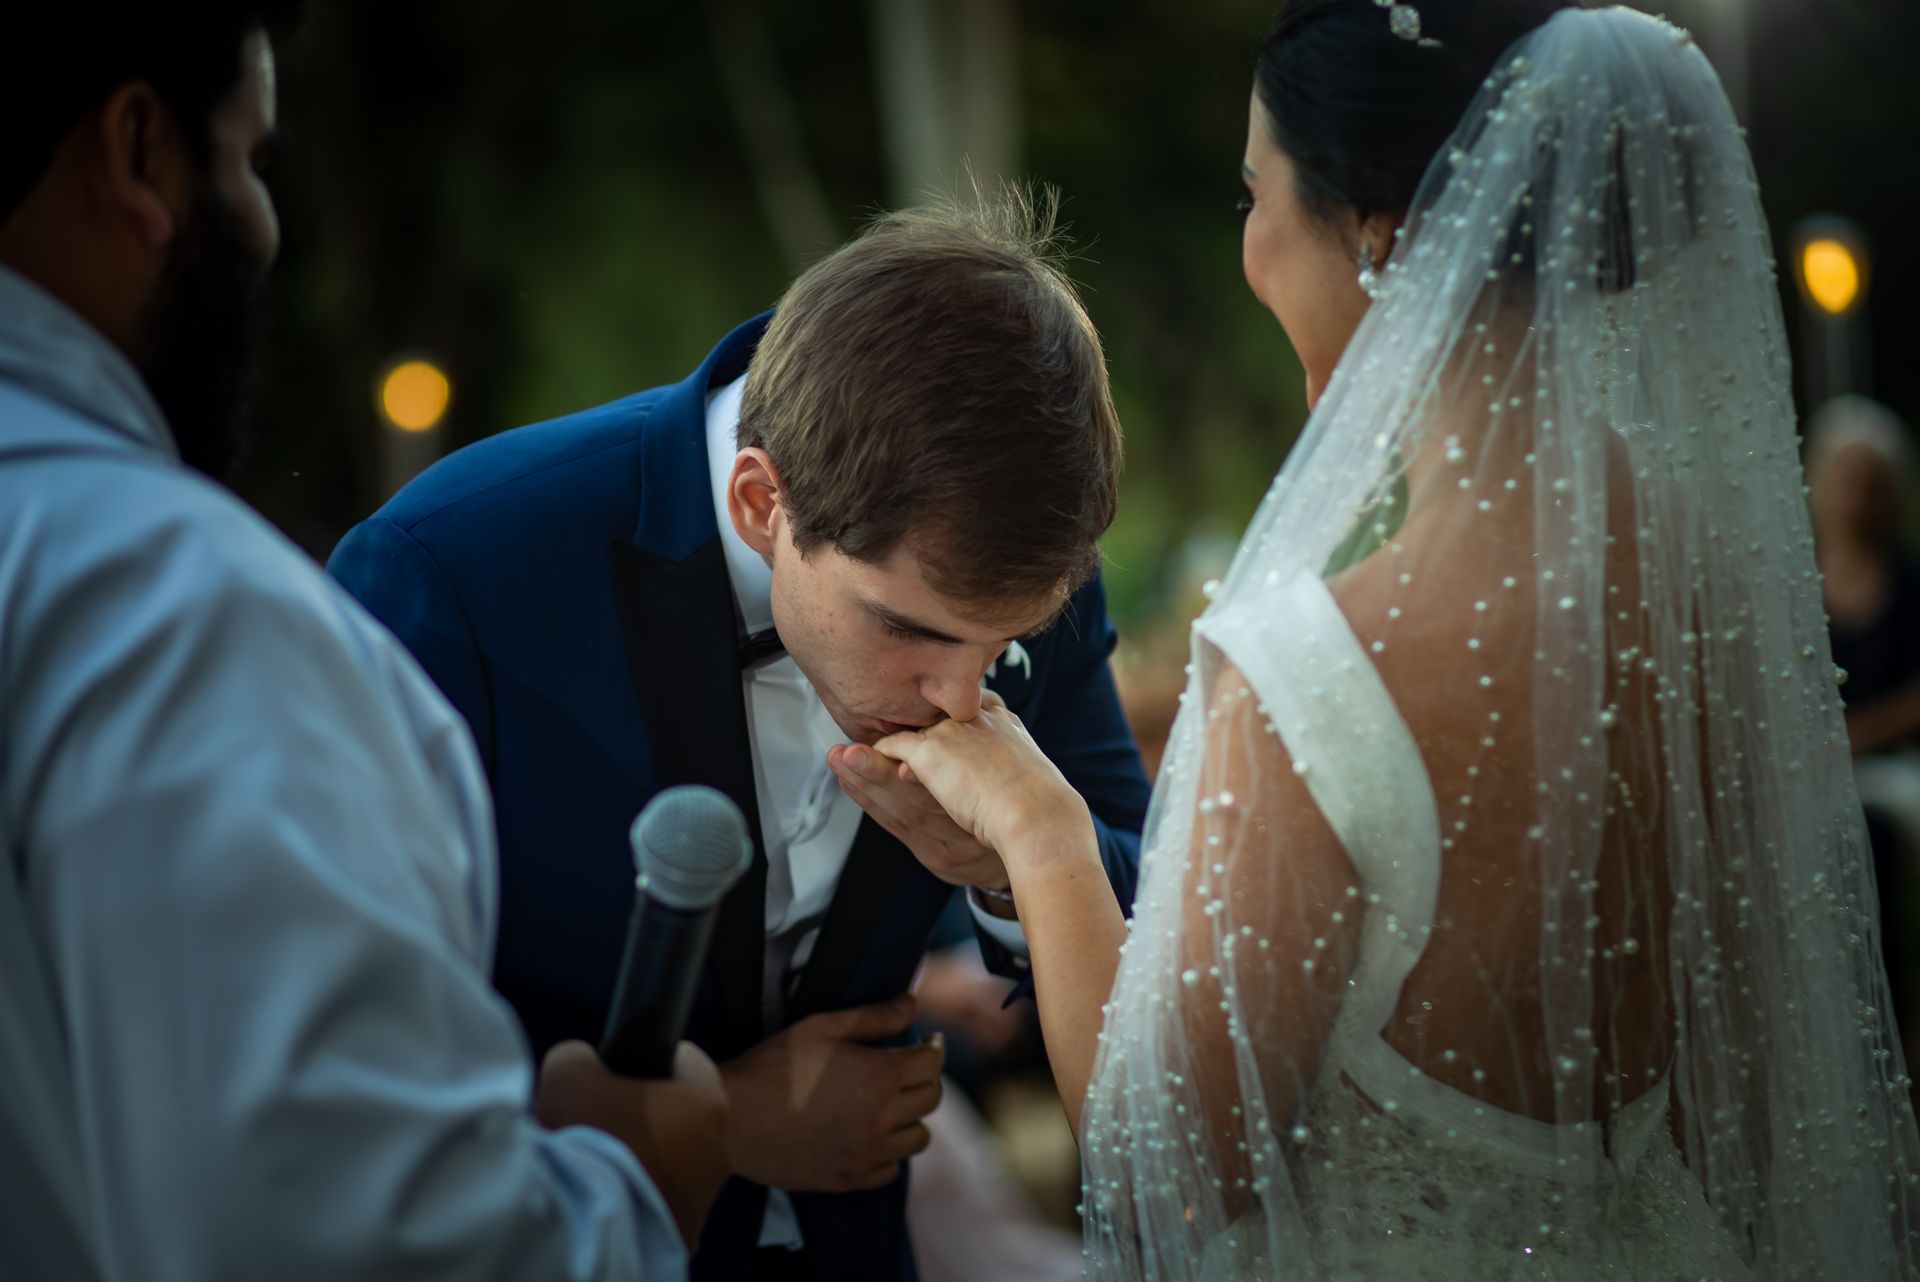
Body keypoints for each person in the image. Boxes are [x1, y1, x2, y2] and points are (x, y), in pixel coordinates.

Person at [873, 2, 1920, 1277]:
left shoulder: (1313, 664)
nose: (1250, 243)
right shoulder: (1715, 594)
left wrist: (1037, 833)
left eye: (1255, 194)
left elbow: (1170, 1176)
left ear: (1382, 231)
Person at [0, 7, 728, 1279]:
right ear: (138, 156)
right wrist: (629, 1188)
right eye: (251, 162)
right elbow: (360, 1243)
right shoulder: (183, 615)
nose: (271, 232)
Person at [328, 192, 1151, 1281]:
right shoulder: (454, 571)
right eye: (906, 628)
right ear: (763, 501)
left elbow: (1155, 919)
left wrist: (1011, 874)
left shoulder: (1025, 569)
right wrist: (723, 1122)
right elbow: (332, 1036)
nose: (962, 697)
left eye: (1002, 642)